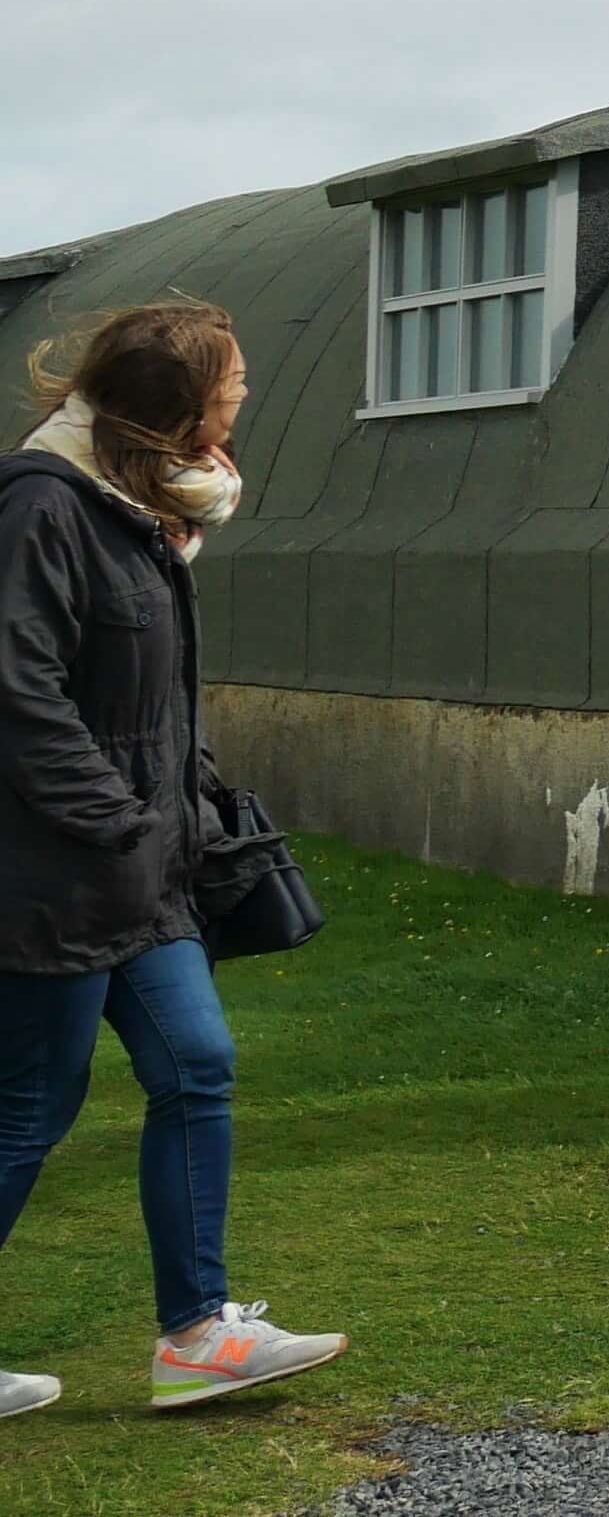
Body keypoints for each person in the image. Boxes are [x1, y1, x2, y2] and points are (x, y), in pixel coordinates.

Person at [0, 298, 346, 1418]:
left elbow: (146, 692)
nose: (245, 393)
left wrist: (188, 807)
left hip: (144, 879)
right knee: (29, 1114)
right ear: (177, 404)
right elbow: (17, 694)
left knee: (196, 1066)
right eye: (232, 379)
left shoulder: (141, 509)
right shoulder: (44, 509)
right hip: (45, 879)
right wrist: (119, 819)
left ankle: (196, 1336)